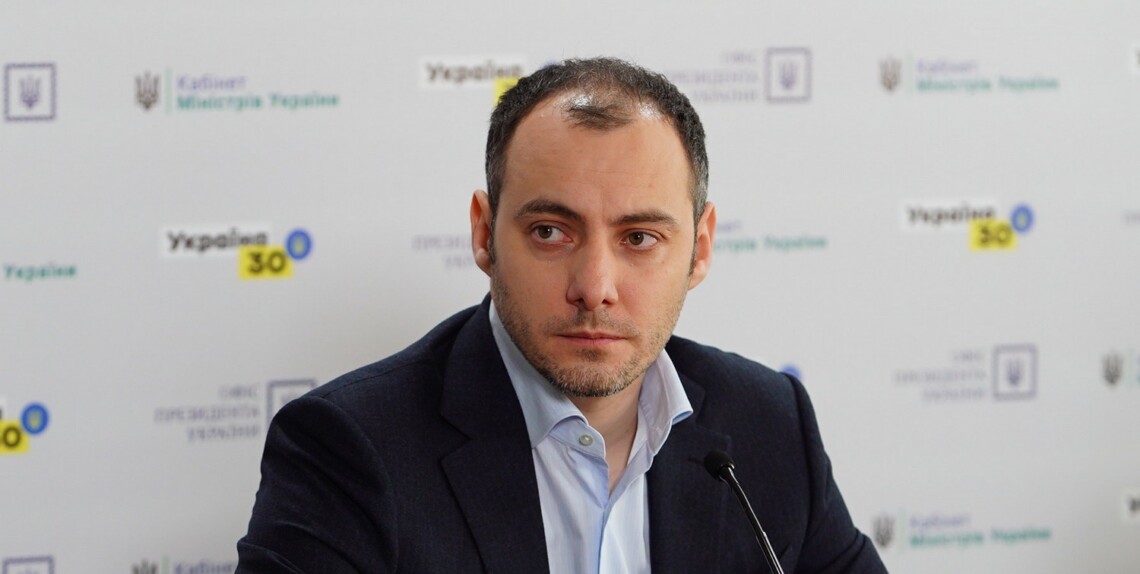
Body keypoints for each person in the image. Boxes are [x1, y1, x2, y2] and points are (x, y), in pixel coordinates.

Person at [237, 57, 886, 573]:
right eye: (550, 232)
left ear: (701, 248)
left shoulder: (769, 422)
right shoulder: (348, 448)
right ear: (484, 234)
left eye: (639, 238)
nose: (595, 288)